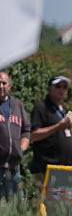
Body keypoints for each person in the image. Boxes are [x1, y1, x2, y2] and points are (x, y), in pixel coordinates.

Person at [30, 75, 72, 180]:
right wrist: (58, 126)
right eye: (58, 86)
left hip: (66, 168)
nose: (61, 90)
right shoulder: (41, 108)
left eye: (64, 87)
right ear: (49, 88)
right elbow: (34, 135)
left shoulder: (64, 109)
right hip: (46, 169)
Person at [0, 71, 31, 200]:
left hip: (14, 168)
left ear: (9, 86)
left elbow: (26, 130)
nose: (1, 86)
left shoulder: (17, 105)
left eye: (4, 83)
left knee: (17, 206)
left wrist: (21, 149)